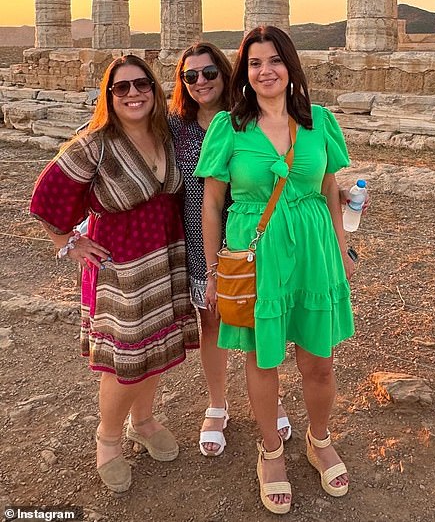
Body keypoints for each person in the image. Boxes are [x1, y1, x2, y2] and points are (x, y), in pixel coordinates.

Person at [195, 25, 356, 514]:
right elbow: (212, 203)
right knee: (263, 360)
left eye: (274, 61)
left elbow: (331, 193)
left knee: (318, 360)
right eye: (255, 63)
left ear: (290, 66)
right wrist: (213, 271)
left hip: (313, 252)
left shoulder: (321, 122)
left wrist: (344, 250)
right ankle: (270, 452)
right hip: (253, 252)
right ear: (245, 73)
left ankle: (319, 438)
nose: (265, 71)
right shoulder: (228, 127)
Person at [30, 55, 199, 493]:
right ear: (109, 96)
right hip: (122, 264)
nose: (132, 94)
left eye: (140, 84)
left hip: (165, 255)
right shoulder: (95, 143)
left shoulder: (166, 134)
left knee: (154, 348)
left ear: (154, 89)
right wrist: (67, 241)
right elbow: (46, 196)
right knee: (126, 358)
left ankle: (142, 422)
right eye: (120, 88)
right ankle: (107, 439)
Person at [168, 42, 292, 456]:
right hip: (199, 238)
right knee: (214, 323)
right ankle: (217, 404)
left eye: (209, 73)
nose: (200, 82)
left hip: (252, 238)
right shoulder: (174, 126)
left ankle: (269, 403)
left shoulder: (249, 119)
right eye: (191, 76)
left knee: (262, 323)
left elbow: (286, 172)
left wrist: (337, 194)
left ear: (224, 73)